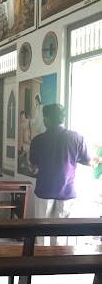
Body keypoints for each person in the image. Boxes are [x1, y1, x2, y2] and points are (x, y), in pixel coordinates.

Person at [29, 104, 97, 245]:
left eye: (43, 117)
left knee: (42, 230)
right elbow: (88, 161)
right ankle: (60, 261)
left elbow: (33, 166)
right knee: (62, 231)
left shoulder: (38, 140)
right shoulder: (76, 138)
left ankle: (42, 261)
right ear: (62, 118)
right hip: (67, 190)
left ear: (46, 118)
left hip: (44, 190)